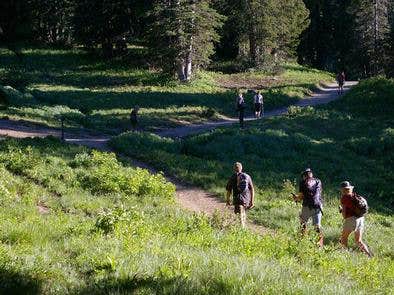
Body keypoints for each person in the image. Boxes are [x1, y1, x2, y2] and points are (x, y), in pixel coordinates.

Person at [339, 181, 372, 257]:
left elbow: (344, 215)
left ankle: (345, 255)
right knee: (359, 240)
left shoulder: (345, 198)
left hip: (351, 220)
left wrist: (341, 211)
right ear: (350, 188)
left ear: (343, 189)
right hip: (361, 219)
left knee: (343, 238)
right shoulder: (356, 196)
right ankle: (369, 255)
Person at [293, 168, 324, 247]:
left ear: (304, 176)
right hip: (318, 206)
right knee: (317, 226)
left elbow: (301, 196)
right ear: (311, 174)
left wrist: (296, 198)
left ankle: (301, 241)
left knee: (303, 223)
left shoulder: (303, 182)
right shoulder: (318, 181)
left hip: (307, 206)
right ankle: (320, 244)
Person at [226, 162, 255, 228]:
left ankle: (241, 230)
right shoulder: (247, 176)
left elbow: (229, 190)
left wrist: (228, 200)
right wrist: (252, 201)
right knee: (243, 214)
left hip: (237, 199)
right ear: (241, 168)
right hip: (246, 199)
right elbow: (252, 189)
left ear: (234, 169)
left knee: (239, 216)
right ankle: (243, 229)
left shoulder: (233, 177)